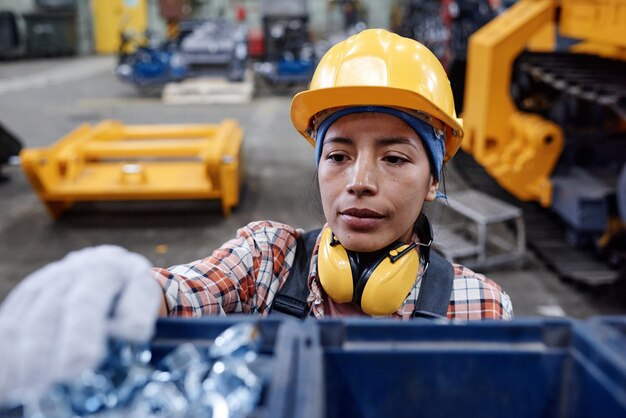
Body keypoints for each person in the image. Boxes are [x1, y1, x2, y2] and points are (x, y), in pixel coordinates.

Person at [0, 29, 512, 402]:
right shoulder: (270, 259)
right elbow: (187, 291)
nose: (359, 180)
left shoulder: (480, 308)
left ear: (433, 180)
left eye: (395, 158)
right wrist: (126, 287)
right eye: (337, 155)